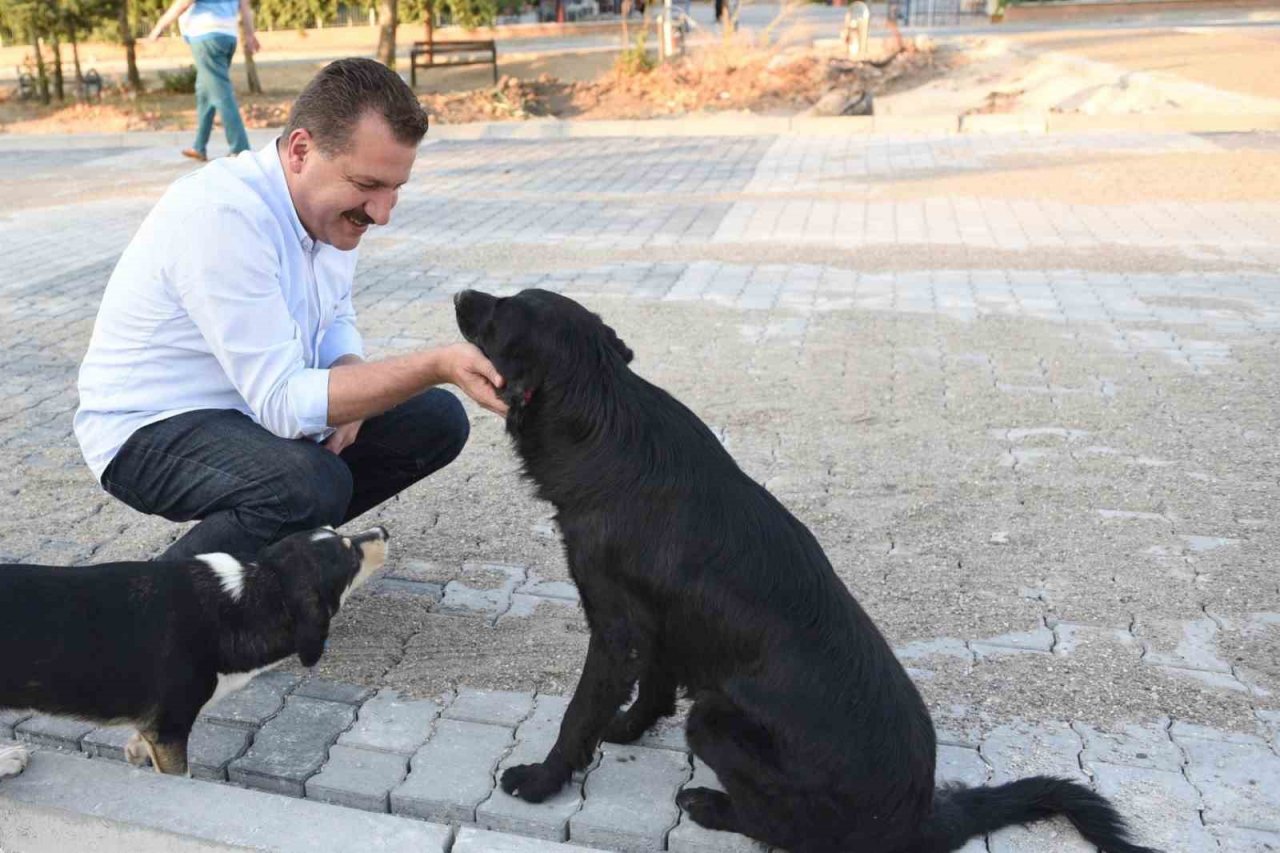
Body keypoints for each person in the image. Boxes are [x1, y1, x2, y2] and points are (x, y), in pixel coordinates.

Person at [74, 58, 507, 563]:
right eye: (369, 186)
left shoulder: (327, 210)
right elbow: (282, 402)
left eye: (396, 189)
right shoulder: (223, 216)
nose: (383, 214)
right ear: (301, 150)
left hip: (245, 408)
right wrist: (437, 365)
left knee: (435, 419)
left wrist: (349, 370)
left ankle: (270, 554)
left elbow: (335, 314)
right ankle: (157, 609)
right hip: (148, 428)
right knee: (307, 485)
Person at [148, 0, 257, 161]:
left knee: (221, 94)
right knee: (205, 91)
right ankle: (199, 146)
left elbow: (183, 2)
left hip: (206, 37)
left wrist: (160, 26)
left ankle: (240, 149)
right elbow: (245, 6)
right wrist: (250, 34)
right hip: (227, 37)